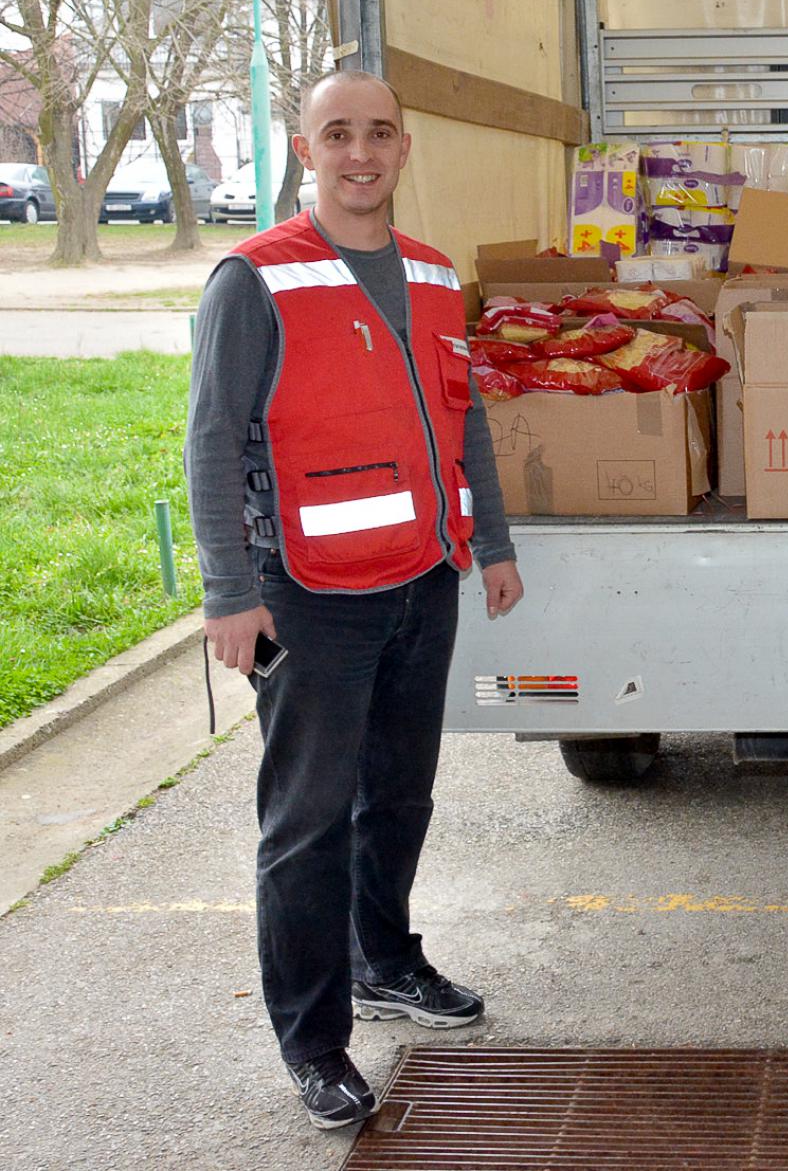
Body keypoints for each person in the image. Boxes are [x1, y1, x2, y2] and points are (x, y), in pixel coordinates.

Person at [186, 69, 524, 1129]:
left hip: (423, 580)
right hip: (309, 597)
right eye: (338, 134)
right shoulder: (255, 278)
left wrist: (490, 541)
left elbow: (463, 419)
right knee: (307, 825)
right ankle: (314, 1041)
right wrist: (228, 592)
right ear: (306, 149)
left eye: (379, 133)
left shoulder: (431, 273)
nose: (361, 152)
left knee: (401, 798)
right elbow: (211, 440)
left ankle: (385, 959)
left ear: (404, 147)